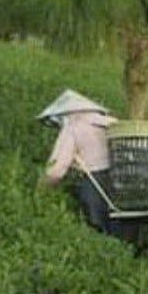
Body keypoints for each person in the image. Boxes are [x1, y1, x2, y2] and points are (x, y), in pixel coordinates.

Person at [37, 89, 128, 238]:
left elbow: (56, 169)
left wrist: (40, 190)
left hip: (95, 185)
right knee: (122, 231)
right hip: (125, 180)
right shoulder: (114, 123)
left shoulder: (73, 128)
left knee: (98, 232)